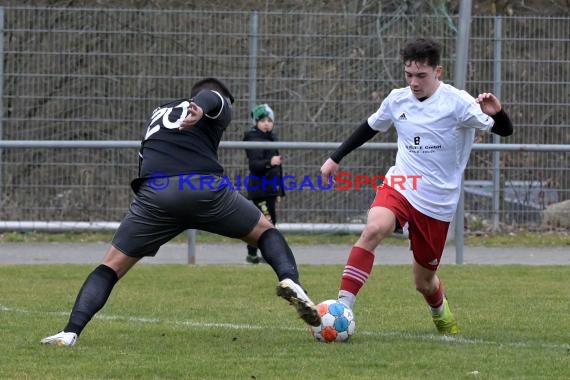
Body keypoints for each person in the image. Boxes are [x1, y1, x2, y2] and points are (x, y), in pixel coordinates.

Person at [41, 78, 321, 347]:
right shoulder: (211, 103)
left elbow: (145, 157)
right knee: (266, 231)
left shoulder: (158, 114)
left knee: (110, 266)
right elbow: (213, 98)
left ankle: (69, 332)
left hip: (155, 195)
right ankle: (291, 282)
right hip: (201, 187)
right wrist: (202, 105)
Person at [320, 38, 513, 335]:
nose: (414, 82)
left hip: (437, 200)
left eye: (421, 75)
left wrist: (497, 112)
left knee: (423, 282)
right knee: (373, 229)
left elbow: (504, 130)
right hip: (402, 182)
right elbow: (370, 127)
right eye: (409, 75)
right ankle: (343, 307)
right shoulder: (397, 99)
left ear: (438, 71)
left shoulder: (458, 103)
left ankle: (440, 312)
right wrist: (335, 158)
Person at [243, 104, 285, 264]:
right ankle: (268, 255)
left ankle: (252, 254)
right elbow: (255, 165)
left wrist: (279, 191)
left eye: (269, 120)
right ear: (256, 122)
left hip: (271, 189)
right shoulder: (253, 139)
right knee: (268, 224)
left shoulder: (272, 139)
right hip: (260, 189)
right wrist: (270, 162)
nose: (266, 123)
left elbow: (278, 169)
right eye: (262, 120)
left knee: (262, 224)